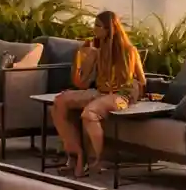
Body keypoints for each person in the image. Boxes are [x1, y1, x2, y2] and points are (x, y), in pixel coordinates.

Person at [50, 10, 146, 178]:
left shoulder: (129, 51)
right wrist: (83, 58)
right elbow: (81, 84)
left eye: (98, 26)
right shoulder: (96, 51)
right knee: (59, 102)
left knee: (89, 113)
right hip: (100, 92)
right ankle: (76, 154)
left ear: (109, 29)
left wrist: (133, 91)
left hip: (120, 96)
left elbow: (142, 80)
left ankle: (96, 161)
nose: (94, 29)